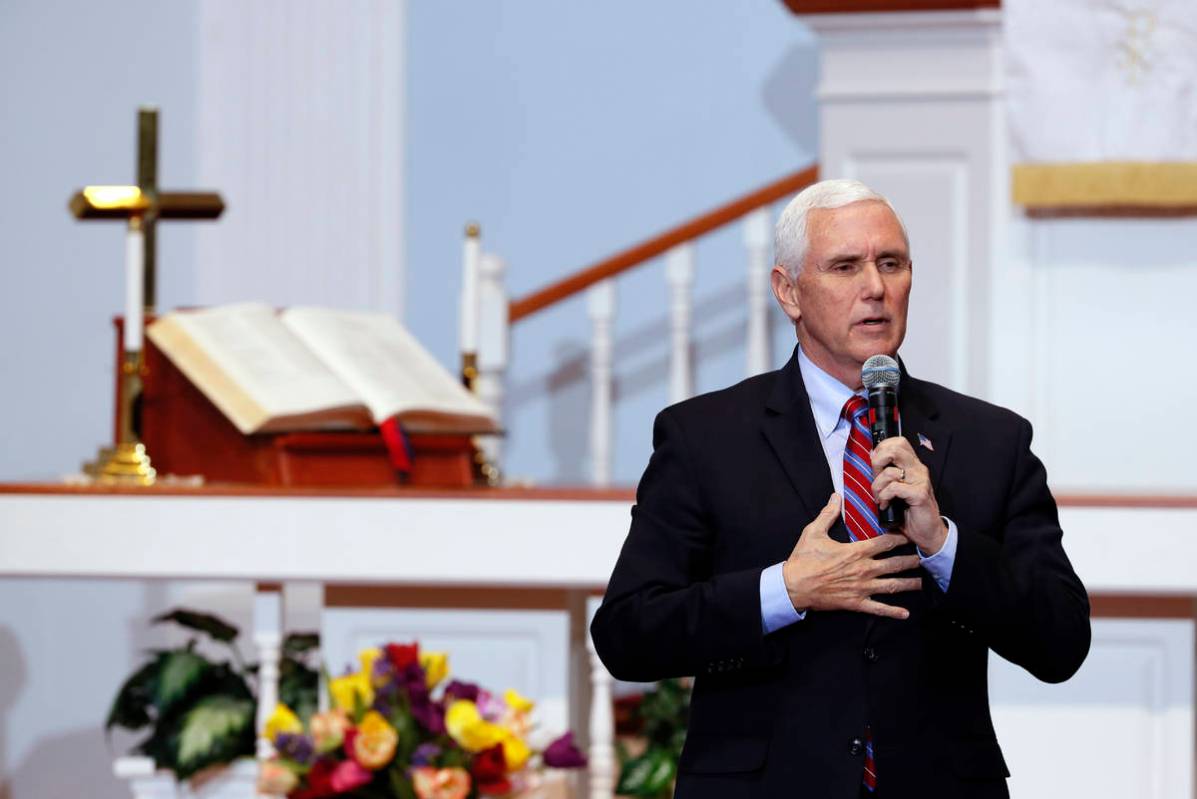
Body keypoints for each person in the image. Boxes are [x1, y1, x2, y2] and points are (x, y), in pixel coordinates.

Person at [589, 179, 1090, 799]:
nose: (875, 288)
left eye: (891, 264)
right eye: (845, 267)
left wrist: (944, 544)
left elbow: (1062, 641)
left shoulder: (992, 440)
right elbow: (628, 634)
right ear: (788, 292)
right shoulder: (705, 438)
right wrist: (786, 590)